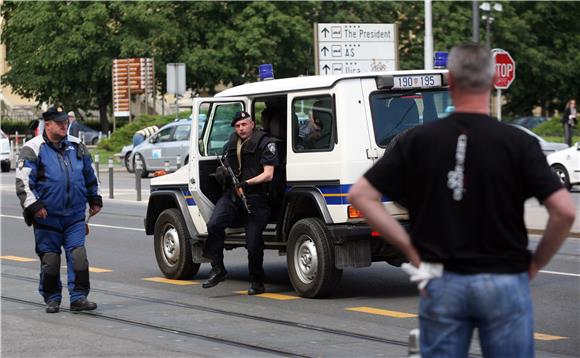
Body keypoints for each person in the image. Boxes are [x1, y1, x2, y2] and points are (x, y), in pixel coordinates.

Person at [348, 43, 576, 357]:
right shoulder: (517, 143)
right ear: (493, 80)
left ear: (450, 81)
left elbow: (361, 195)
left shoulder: (417, 140)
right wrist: (534, 265)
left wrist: (412, 251)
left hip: (443, 279)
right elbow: (564, 211)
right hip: (505, 279)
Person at [15, 106, 103, 314]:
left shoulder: (77, 146)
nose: (65, 125)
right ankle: (52, 297)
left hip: (74, 216)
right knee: (51, 260)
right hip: (47, 217)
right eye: (60, 122)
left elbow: (91, 175)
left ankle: (79, 297)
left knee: (78, 256)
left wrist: (94, 198)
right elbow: (23, 183)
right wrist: (35, 206)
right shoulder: (32, 148)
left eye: (67, 122)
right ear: (48, 124)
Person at [202, 111, 278, 295]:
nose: (241, 129)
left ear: (252, 124)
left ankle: (257, 281)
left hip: (256, 198)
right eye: (237, 126)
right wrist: (222, 174)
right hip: (233, 195)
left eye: (244, 124)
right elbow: (227, 165)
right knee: (214, 225)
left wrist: (247, 183)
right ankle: (218, 269)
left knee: (253, 243)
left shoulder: (266, 143)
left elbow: (269, 174)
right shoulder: (231, 142)